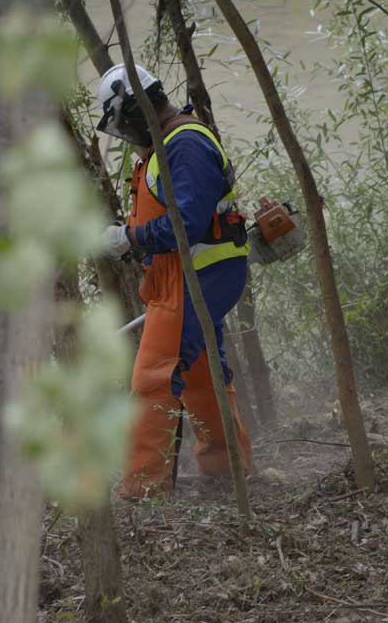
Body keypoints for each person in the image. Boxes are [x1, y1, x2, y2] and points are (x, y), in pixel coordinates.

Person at [97, 63, 254, 498]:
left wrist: (129, 238)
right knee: (202, 373)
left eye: (123, 125)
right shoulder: (171, 142)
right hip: (185, 274)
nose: (126, 135)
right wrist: (130, 234)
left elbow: (187, 224)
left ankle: (144, 487)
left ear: (134, 108)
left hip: (197, 273)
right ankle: (227, 467)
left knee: (155, 376)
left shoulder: (183, 145)